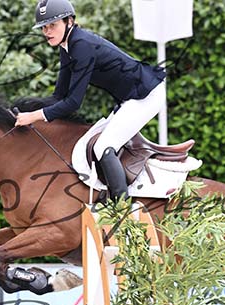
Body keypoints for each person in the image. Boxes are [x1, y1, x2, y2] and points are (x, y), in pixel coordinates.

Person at [14, 0, 167, 201]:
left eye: (53, 25)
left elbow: (73, 103)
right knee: (94, 143)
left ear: (69, 21)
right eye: (44, 27)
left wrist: (33, 116)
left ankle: (122, 209)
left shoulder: (81, 46)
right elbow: (58, 96)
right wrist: (25, 111)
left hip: (146, 96)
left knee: (103, 147)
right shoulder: (67, 46)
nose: (47, 31)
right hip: (130, 98)